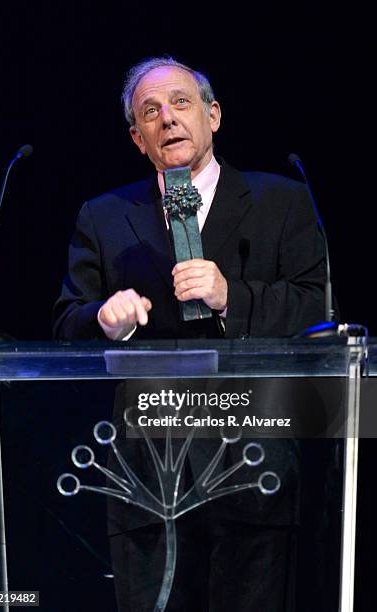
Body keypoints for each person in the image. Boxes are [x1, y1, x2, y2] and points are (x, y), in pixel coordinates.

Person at [53, 57, 327, 611]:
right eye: (150, 112)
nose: (168, 119)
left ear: (213, 115)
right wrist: (105, 320)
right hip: (148, 476)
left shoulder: (282, 200)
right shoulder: (104, 215)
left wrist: (234, 297)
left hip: (255, 462)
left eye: (181, 103)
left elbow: (318, 308)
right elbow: (68, 322)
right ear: (137, 137)